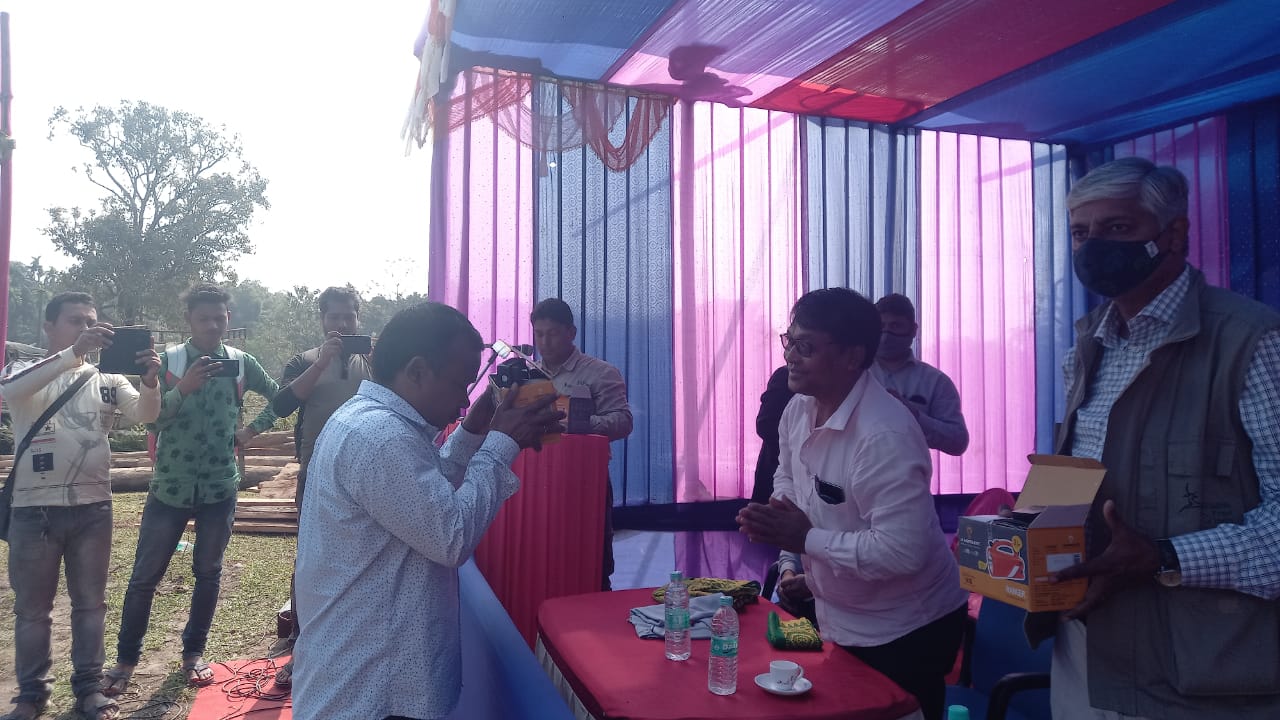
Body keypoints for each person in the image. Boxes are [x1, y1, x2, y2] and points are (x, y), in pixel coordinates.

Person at [1042, 157, 1280, 719]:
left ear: (1174, 234)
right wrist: (1032, 527)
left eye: (1118, 228)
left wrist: (1164, 556)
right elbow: (1079, 470)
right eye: (1081, 232)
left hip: (1197, 671)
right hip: (1083, 651)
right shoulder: (1088, 347)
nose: (1093, 247)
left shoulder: (1251, 342)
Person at [290, 302, 564, 720]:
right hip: (371, 694)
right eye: (459, 385)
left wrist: (475, 428)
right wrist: (501, 444)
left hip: (371, 679)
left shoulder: (372, 422)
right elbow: (449, 535)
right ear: (417, 370)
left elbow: (428, 488)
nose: (462, 400)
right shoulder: (380, 437)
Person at [737, 287, 967, 720]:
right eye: (789, 341)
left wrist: (806, 538)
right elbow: (788, 472)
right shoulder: (798, 410)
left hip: (906, 627)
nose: (790, 356)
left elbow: (903, 552)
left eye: (806, 347)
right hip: (843, 613)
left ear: (851, 356)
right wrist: (782, 511)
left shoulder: (884, 435)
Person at [104, 284, 279, 694]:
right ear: (189, 321)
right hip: (170, 487)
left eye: (220, 318)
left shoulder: (240, 361)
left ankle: (192, 655)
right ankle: (126, 660)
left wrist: (253, 429)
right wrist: (182, 388)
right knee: (144, 578)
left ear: (229, 318)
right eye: (205, 319)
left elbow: (280, 395)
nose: (213, 326)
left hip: (220, 487)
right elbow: (153, 422)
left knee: (208, 573)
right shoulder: (169, 362)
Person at [0, 293, 160, 720]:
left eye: (92, 321)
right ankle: (31, 696)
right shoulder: (21, 371)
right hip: (34, 510)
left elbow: (145, 414)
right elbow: (11, 390)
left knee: (90, 604)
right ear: (50, 328)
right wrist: (75, 353)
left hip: (93, 508)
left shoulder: (107, 379)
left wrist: (149, 381)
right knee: (33, 610)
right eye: (75, 321)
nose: (88, 328)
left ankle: (89, 690)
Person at [268, 286, 372, 687]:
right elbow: (281, 406)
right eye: (334, 317)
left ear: (358, 319)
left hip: (368, 473)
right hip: (317, 472)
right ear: (322, 320)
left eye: (348, 317)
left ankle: (355, 641)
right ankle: (300, 641)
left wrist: (381, 363)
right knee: (310, 557)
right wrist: (322, 362)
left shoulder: (374, 360)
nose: (342, 325)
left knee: (365, 557)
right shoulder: (304, 360)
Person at [530, 298, 633, 590]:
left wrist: (575, 425)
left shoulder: (600, 372)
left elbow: (624, 422)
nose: (544, 342)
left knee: (592, 565)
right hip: (537, 482)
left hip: (585, 481)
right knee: (543, 562)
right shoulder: (528, 375)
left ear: (571, 333)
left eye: (552, 333)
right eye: (539, 334)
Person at [869, 293, 968, 456]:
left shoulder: (936, 382)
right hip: (853, 475)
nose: (886, 334)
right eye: (881, 327)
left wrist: (913, 414)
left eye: (895, 326)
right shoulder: (854, 373)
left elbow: (958, 441)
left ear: (913, 330)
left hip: (907, 477)